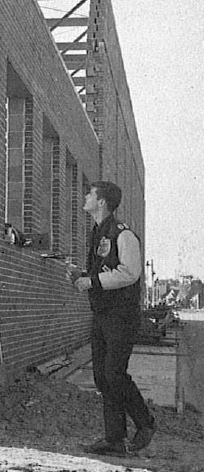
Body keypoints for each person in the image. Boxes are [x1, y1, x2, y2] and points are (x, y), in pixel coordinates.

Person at [66, 181, 156, 455]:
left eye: (90, 194)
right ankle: (114, 439)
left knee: (114, 373)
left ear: (102, 202)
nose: (85, 197)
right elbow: (103, 271)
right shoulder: (98, 232)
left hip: (122, 316)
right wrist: (81, 276)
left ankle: (145, 423)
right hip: (103, 314)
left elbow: (130, 273)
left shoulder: (123, 234)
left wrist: (92, 281)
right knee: (103, 377)